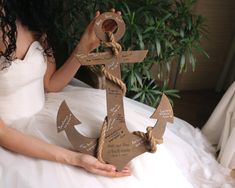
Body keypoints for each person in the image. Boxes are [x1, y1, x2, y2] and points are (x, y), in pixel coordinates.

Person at [0, 1, 234, 188]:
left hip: (48, 109)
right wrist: (75, 158)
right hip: (11, 135)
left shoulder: (28, 18)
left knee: (140, 164)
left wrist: (85, 46)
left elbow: (51, 84)